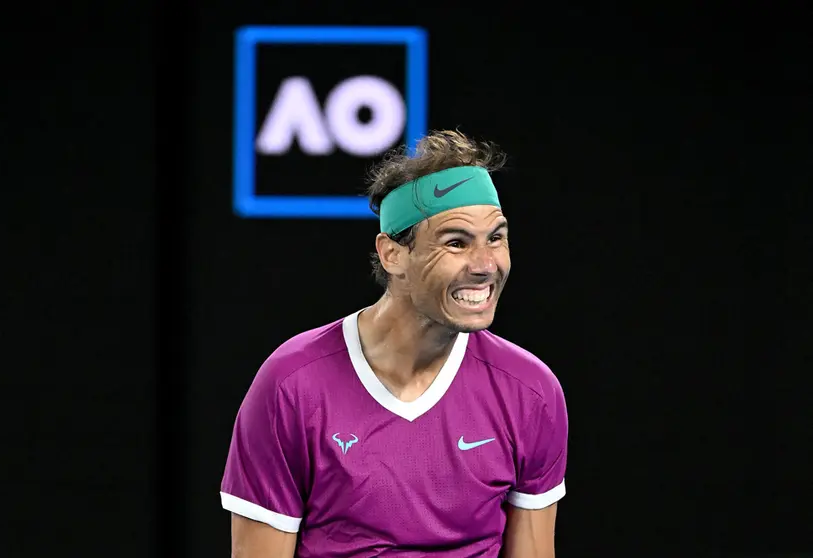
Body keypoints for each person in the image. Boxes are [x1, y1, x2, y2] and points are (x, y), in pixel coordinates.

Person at [220, 130, 569, 557]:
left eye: (496, 238)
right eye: (456, 242)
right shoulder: (292, 384)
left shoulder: (532, 391)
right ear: (393, 255)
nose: (485, 265)